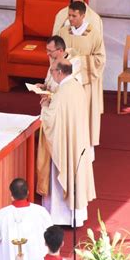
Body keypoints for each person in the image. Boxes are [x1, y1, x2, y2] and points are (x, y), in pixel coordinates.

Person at [36, 59, 96, 227]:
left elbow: (49, 121)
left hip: (65, 144)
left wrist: (45, 106)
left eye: (53, 71)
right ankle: (77, 216)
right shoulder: (76, 86)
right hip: (77, 140)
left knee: (60, 177)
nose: (51, 75)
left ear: (60, 72)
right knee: (75, 176)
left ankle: (59, 217)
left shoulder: (62, 93)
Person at [57, 1, 106, 150]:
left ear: (83, 15)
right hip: (67, 81)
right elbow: (56, 55)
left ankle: (86, 150)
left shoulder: (94, 34)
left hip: (86, 82)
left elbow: (100, 59)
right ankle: (67, 145)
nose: (70, 19)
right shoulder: (63, 32)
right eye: (69, 15)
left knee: (84, 115)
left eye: (74, 16)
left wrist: (78, 62)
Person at [0, 178, 53, 260]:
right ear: (28, 192)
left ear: (11, 195)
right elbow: (52, 239)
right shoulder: (41, 212)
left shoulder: (1, 215)